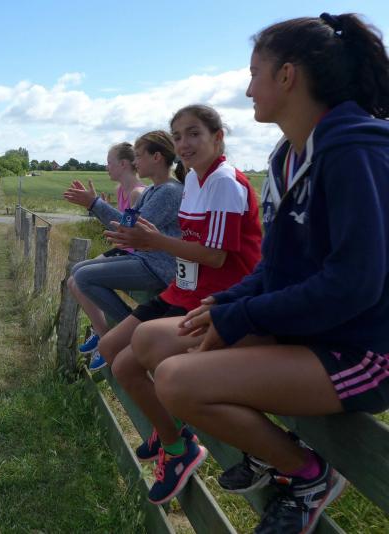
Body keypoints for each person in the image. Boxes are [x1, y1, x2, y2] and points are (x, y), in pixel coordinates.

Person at [133, 13, 389, 533]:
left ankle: (308, 475)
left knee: (177, 381)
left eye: (255, 73)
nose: (249, 89)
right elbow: (276, 265)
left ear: (287, 76)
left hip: (360, 350)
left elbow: (355, 285)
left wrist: (243, 314)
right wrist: (228, 304)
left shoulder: (356, 151)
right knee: (152, 339)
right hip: (306, 329)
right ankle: (265, 448)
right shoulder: (287, 156)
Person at [97, 104, 262, 505]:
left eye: (194, 133)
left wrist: (155, 242)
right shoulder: (194, 182)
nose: (184, 144)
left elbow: (216, 256)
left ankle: (177, 447)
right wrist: (144, 239)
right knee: (110, 347)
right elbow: (189, 245)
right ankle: (168, 428)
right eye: (177, 136)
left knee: (127, 365)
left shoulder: (224, 182)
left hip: (214, 295)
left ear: (217, 138)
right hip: (182, 289)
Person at [63, 134, 184, 369]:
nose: (135, 162)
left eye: (139, 156)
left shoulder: (169, 192)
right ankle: (123, 333)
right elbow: (126, 224)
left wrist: (94, 204)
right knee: (78, 270)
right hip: (146, 260)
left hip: (158, 266)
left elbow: (129, 229)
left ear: (156, 157)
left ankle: (127, 333)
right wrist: (94, 205)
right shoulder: (153, 190)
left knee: (83, 276)